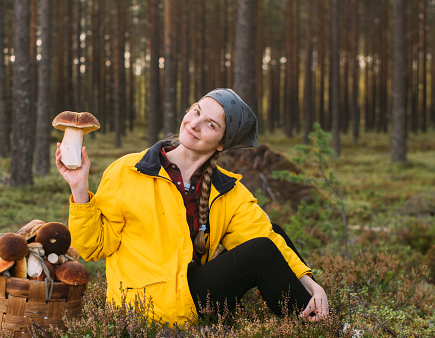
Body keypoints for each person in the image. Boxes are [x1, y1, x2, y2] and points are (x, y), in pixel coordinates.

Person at [56, 88, 328, 326]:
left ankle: (312, 323)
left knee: (270, 234)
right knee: (261, 251)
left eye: (210, 124)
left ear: (221, 144)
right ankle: (317, 327)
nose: (194, 124)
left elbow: (265, 236)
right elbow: (91, 248)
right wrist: (79, 188)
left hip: (193, 295)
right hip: (143, 303)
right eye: (196, 111)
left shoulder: (227, 191)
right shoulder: (128, 170)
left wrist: (311, 284)